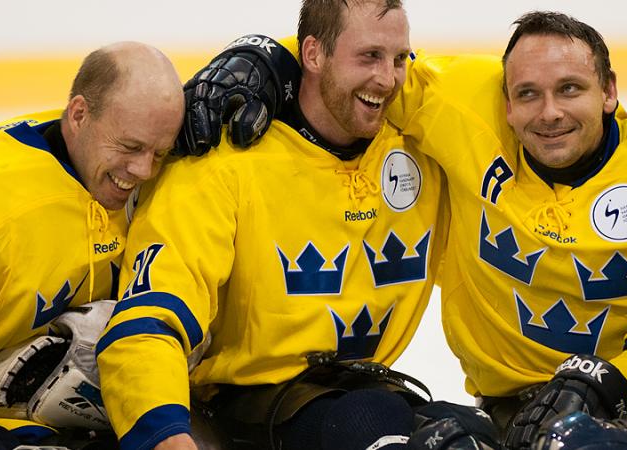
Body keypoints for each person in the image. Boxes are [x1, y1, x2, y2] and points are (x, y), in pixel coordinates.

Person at [183, 10, 627, 450]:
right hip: (511, 409)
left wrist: (617, 388)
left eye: (571, 89)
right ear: (506, 103)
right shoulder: (464, 112)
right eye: (528, 94)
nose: (550, 113)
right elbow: (356, 57)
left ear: (610, 91)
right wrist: (263, 56)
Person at [95, 1, 501, 450]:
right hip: (245, 409)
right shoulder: (219, 163)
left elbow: (519, 91)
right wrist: (165, 438)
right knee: (371, 420)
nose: (387, 79)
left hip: (363, 395)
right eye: (368, 57)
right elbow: (149, 322)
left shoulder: (420, 144)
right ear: (312, 55)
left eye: (400, 58)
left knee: (468, 431)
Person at [0, 41, 184, 449]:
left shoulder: (133, 170)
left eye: (160, 152)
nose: (143, 169)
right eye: (131, 147)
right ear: (79, 114)